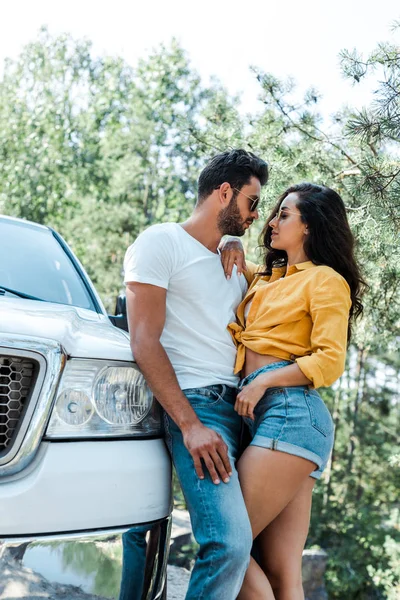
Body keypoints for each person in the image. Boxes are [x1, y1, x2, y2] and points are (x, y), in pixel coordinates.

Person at [123, 149, 269, 600]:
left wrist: (238, 251)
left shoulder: (233, 263)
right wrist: (191, 425)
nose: (256, 215)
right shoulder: (161, 241)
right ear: (224, 192)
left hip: (247, 409)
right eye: (252, 201)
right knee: (227, 543)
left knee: (254, 547)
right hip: (199, 406)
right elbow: (144, 341)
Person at [221, 182, 365, 599]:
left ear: (309, 226)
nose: (271, 221)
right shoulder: (269, 276)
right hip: (276, 419)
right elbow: (226, 256)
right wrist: (231, 238)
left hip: (292, 415)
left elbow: (329, 360)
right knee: (284, 572)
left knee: (226, 543)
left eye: (284, 214)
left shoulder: (326, 281)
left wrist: (264, 379)